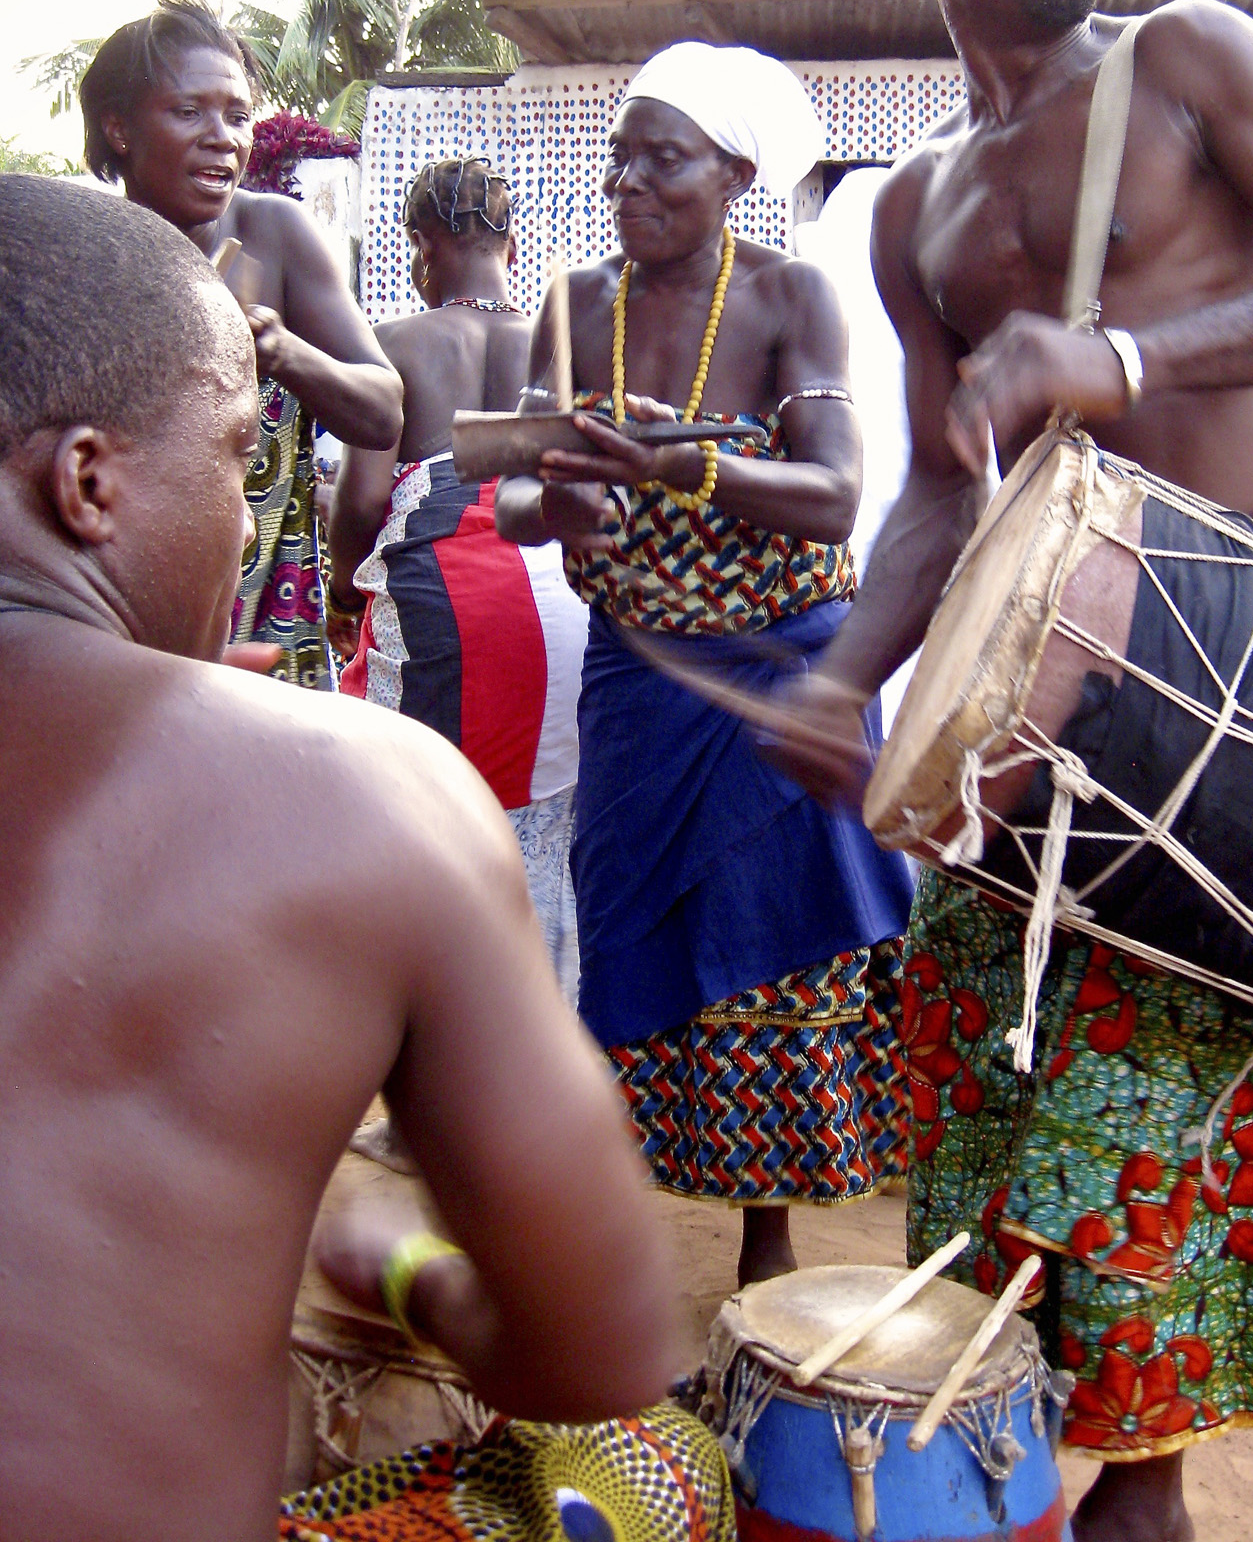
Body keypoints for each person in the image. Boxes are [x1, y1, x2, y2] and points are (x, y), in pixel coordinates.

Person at [772, 0, 1253, 1542]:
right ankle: (1025, 1449)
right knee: (989, 1079)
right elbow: (940, 484)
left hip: (1238, 660)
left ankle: (1143, 1494)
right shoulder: (919, 202)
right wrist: (848, 678)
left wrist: (1127, 351)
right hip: (1034, 700)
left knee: (1155, 1099)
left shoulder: (1187, 61)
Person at [0, 174, 727, 1542]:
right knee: (653, 1489)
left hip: (456, 615)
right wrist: (406, 1277)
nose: (237, 507)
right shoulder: (356, 795)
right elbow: (597, 1347)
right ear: (87, 482)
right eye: (229, 455)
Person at [495, 42, 914, 1288]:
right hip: (642, 676)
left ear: (734, 172)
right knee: (627, 927)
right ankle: (624, 1215)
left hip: (783, 669)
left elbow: (837, 498)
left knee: (779, 946)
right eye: (620, 153)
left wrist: (677, 465)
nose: (627, 177)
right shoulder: (577, 304)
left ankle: (768, 1248)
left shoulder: (791, 298)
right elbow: (516, 484)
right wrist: (558, 506)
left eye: (660, 156)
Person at [78, 0, 402, 687]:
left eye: (237, 114)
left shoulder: (275, 237)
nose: (222, 135)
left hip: (269, 631)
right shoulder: (88, 260)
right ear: (120, 128)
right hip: (127, 621)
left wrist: (281, 350)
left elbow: (382, 411)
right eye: (188, 111)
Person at [330, 157, 589, 1001]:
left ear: (422, 247)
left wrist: (342, 596)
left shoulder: (394, 342)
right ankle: (545, 1037)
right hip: (561, 597)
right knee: (547, 820)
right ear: (509, 245)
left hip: (444, 595)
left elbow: (365, 497)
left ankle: (431, 1043)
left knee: (418, 818)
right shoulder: (563, 344)